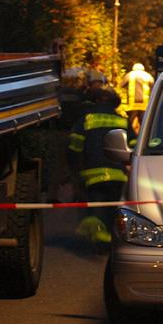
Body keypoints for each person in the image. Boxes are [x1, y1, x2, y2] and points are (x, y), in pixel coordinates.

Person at [67, 88, 130, 247]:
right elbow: (134, 147)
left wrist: (74, 172)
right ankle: (108, 238)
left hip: (92, 175)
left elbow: (74, 148)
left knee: (97, 207)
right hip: (118, 176)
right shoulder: (122, 121)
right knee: (112, 209)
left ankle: (99, 239)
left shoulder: (86, 120)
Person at [121, 62, 154, 135]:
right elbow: (153, 85)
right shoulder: (147, 76)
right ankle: (144, 136)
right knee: (144, 123)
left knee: (130, 122)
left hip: (132, 104)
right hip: (144, 104)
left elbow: (122, 85)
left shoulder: (130, 75)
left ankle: (129, 135)